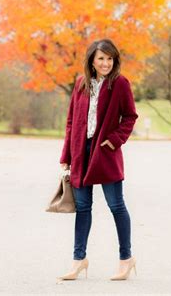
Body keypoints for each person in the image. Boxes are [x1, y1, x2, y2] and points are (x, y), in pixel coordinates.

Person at [58, 39, 138, 281]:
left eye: (110, 59)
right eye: (101, 58)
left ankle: (126, 259)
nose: (106, 63)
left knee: (116, 205)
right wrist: (66, 155)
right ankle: (78, 259)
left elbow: (130, 117)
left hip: (105, 152)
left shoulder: (120, 84)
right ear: (92, 60)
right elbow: (71, 121)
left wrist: (113, 141)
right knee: (82, 207)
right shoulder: (82, 83)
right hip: (81, 152)